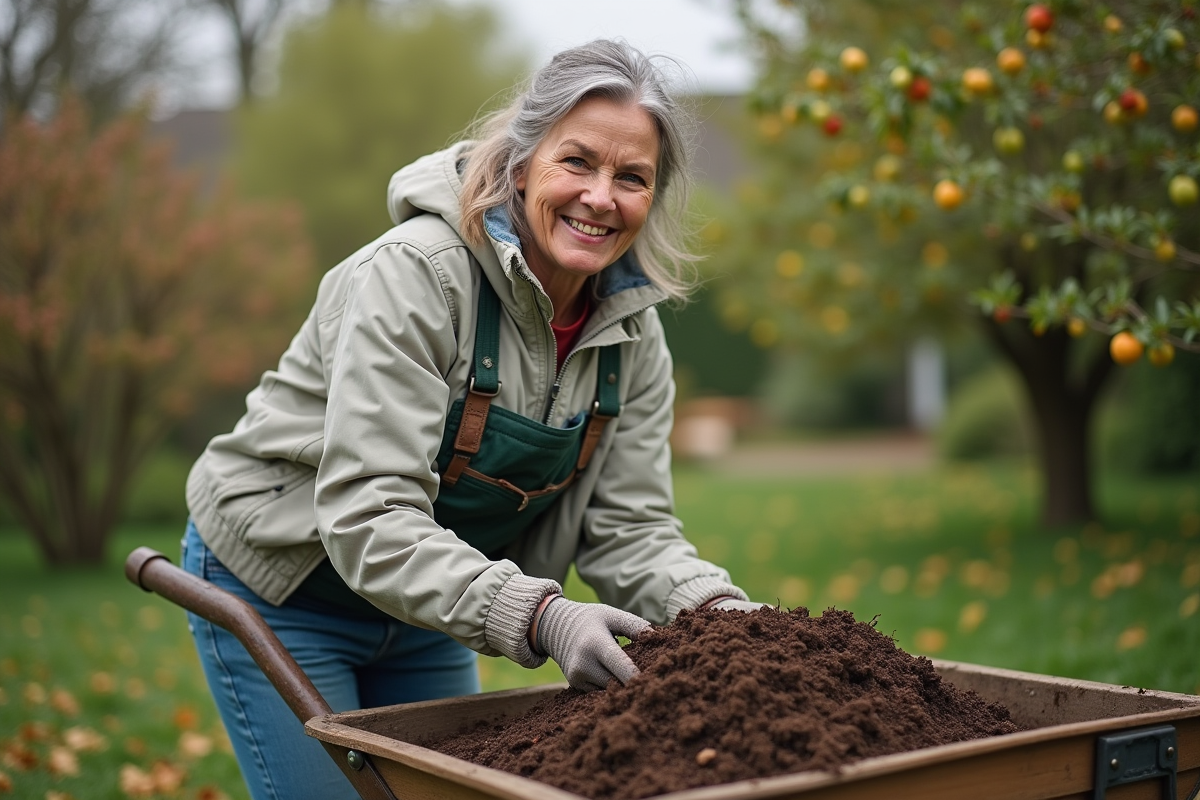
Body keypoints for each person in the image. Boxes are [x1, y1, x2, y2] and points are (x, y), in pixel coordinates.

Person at [182, 38, 762, 800]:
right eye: (577, 162)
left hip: (426, 603)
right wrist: (545, 618)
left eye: (632, 177)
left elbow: (631, 530)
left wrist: (724, 615)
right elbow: (370, 512)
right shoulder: (415, 278)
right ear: (522, 164)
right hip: (284, 586)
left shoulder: (630, 335)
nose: (601, 197)